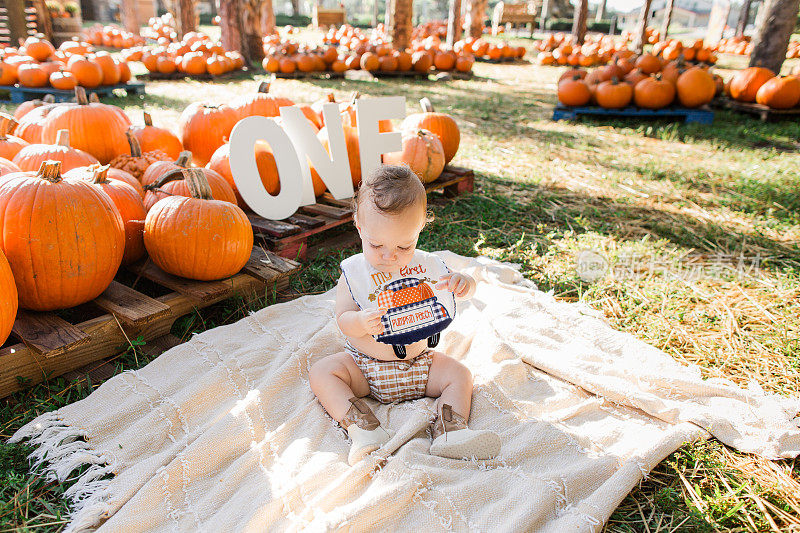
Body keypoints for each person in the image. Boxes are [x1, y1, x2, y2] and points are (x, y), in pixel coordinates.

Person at [309, 164, 501, 465]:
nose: (390, 256)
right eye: (376, 245)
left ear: (420, 227)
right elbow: (343, 318)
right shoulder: (355, 274)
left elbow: (455, 286)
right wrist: (359, 322)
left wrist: (465, 284)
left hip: (420, 365)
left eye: (404, 245)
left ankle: (450, 430)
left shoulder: (426, 266)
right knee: (322, 372)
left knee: (460, 375)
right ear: (359, 225)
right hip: (364, 369)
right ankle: (363, 429)